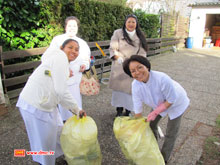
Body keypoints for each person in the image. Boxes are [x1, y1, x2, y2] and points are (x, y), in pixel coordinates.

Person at [16, 39, 86, 165]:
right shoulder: (60, 57)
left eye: (77, 49)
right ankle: (46, 162)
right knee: (45, 142)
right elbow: (61, 90)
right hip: (36, 105)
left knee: (59, 131)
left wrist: (76, 109)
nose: (74, 51)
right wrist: (77, 109)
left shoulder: (58, 61)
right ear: (61, 48)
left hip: (41, 103)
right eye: (70, 47)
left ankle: (64, 156)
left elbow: (59, 88)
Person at [123, 55, 190, 163]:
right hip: (159, 104)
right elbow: (137, 105)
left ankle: (163, 158)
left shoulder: (162, 78)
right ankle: (152, 148)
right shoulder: (135, 85)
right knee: (150, 125)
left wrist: (155, 112)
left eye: (140, 67)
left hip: (176, 102)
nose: (138, 72)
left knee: (171, 132)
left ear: (147, 66)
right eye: (133, 71)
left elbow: (171, 99)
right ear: (130, 74)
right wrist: (136, 125)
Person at [45, 16, 91, 121]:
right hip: (59, 76)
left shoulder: (82, 43)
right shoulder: (57, 40)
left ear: (77, 28)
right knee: (61, 99)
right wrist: (62, 69)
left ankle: (76, 118)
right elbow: (49, 57)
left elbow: (86, 58)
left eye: (74, 26)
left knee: (74, 99)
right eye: (69, 25)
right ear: (65, 27)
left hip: (75, 78)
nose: (72, 28)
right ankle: (63, 121)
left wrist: (84, 65)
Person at [108, 14, 148, 117]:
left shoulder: (140, 35)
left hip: (133, 66)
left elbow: (143, 52)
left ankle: (128, 110)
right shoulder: (118, 33)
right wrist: (117, 58)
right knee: (119, 91)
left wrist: (138, 63)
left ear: (136, 24)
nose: (131, 24)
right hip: (120, 65)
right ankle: (119, 110)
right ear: (125, 23)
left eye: (133, 22)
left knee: (131, 90)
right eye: (129, 21)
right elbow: (113, 48)